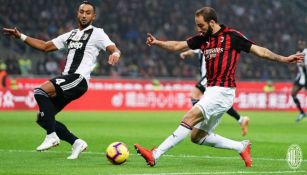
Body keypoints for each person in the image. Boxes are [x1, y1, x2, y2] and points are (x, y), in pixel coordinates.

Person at [134, 6, 304, 168]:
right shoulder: (203, 39)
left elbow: (260, 51)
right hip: (213, 90)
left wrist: (283, 59)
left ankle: (155, 154)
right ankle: (241, 147)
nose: (198, 29)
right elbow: (178, 45)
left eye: (201, 25)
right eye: (197, 25)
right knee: (196, 136)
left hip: (223, 90)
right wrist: (157, 42)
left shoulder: (232, 36)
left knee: (189, 117)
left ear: (212, 22)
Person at [2, 1, 121, 159]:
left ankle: (52, 136)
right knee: (43, 118)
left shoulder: (97, 33)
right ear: (77, 13)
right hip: (68, 79)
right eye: (81, 12)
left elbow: (112, 47)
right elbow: (45, 46)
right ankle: (76, 142)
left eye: (88, 13)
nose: (84, 15)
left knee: (39, 91)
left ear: (94, 16)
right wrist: (21, 36)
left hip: (78, 79)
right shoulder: (70, 34)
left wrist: (115, 54)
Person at [180, 49, 249, 136]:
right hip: (210, 77)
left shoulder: (208, 43)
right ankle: (241, 119)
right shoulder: (203, 45)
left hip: (209, 76)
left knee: (195, 94)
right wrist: (185, 53)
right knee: (221, 102)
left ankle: (199, 121)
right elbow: (194, 51)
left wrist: (185, 53)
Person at [291, 40, 307, 122]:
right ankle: (302, 112)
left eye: (302, 43)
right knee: (293, 94)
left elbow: (304, 65)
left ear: (305, 44)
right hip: (301, 77)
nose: (300, 45)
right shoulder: (298, 53)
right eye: (299, 43)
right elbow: (298, 65)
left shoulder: (306, 52)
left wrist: (303, 65)